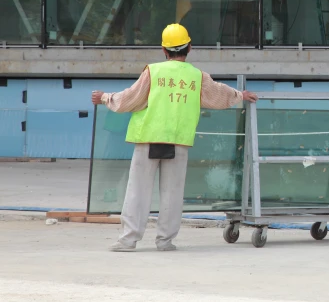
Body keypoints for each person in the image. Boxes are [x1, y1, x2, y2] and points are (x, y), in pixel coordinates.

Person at [91, 24, 258, 252]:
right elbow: (219, 94)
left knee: (138, 191)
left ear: (163, 49)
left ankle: (128, 241)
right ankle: (165, 242)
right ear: (189, 47)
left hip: (148, 139)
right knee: (172, 194)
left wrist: (104, 98)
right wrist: (241, 95)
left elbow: (130, 99)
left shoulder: (153, 71)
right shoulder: (197, 77)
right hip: (178, 141)